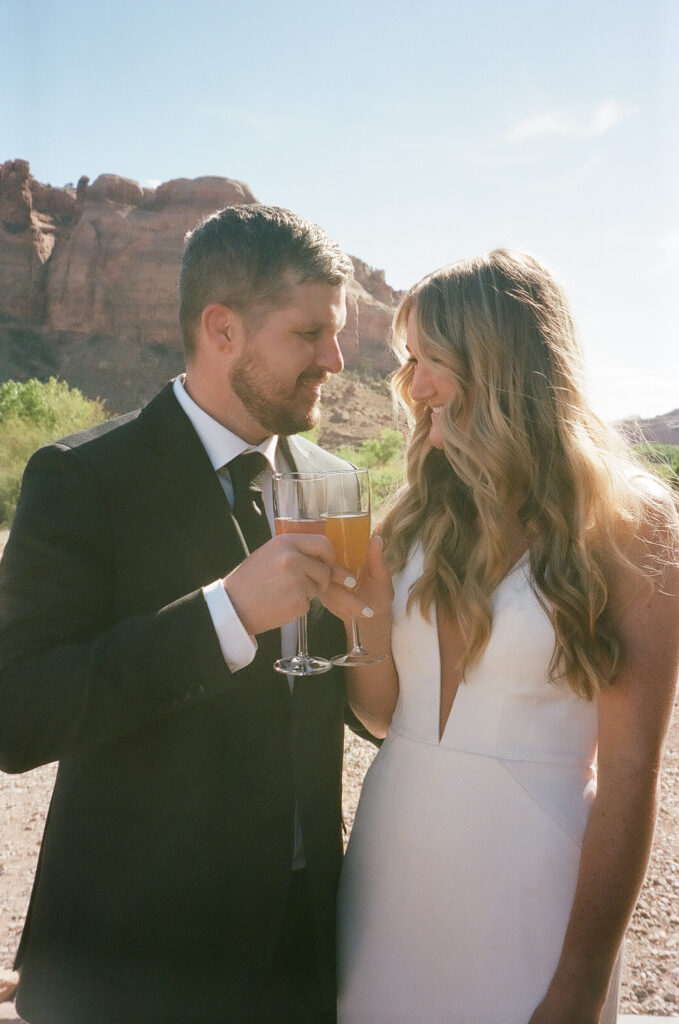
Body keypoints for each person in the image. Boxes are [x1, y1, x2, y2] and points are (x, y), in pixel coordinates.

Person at [0, 204, 371, 1024]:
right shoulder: (80, 478)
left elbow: (354, 702)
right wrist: (225, 614)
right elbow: (18, 717)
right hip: (129, 962)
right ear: (222, 329)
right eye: (309, 334)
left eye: (336, 333)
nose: (336, 360)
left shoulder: (335, 485)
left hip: (299, 952)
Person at [328, 249, 679, 1023]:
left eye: (434, 361)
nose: (413, 387)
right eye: (408, 360)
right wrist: (362, 615)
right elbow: (386, 718)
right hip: (393, 858)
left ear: (503, 362)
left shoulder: (631, 523)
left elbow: (628, 770)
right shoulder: (415, 512)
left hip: (531, 877)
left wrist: (581, 980)